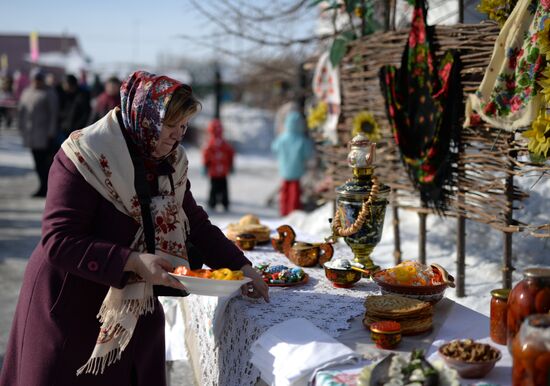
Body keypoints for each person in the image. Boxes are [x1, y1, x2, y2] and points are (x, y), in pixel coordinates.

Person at [0, 70, 269, 386]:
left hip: (134, 300)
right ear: (146, 117)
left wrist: (241, 267)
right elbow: (58, 241)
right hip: (72, 299)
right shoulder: (85, 155)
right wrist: (132, 261)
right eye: (170, 125)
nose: (177, 136)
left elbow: (195, 223)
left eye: (183, 126)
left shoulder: (168, 162)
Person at [17, 69, 59, 197]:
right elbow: (22, 111)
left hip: (44, 134)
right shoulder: (27, 92)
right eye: (35, 78)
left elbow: (53, 114)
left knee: (44, 163)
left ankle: (46, 188)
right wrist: (21, 127)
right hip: (31, 134)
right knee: (37, 162)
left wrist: (51, 132)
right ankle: (42, 186)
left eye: (39, 79)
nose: (37, 81)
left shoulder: (49, 93)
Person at [271, 111, 314, 216]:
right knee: (295, 192)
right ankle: (293, 212)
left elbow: (274, 148)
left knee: (284, 192)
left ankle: (284, 211)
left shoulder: (282, 138)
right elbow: (308, 154)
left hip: (284, 169)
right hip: (297, 170)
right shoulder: (302, 140)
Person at [202, 118, 235, 211]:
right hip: (221, 170)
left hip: (216, 171)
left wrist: (205, 164)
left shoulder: (210, 143)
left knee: (215, 188)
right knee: (221, 187)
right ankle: (221, 202)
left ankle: (214, 202)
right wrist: (231, 164)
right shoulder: (222, 143)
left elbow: (206, 154)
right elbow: (230, 153)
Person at [58, 73, 91, 140]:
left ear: (70, 84)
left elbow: (85, 114)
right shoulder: (64, 94)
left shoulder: (82, 96)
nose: (63, 85)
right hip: (65, 130)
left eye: (64, 83)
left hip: (77, 132)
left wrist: (77, 128)